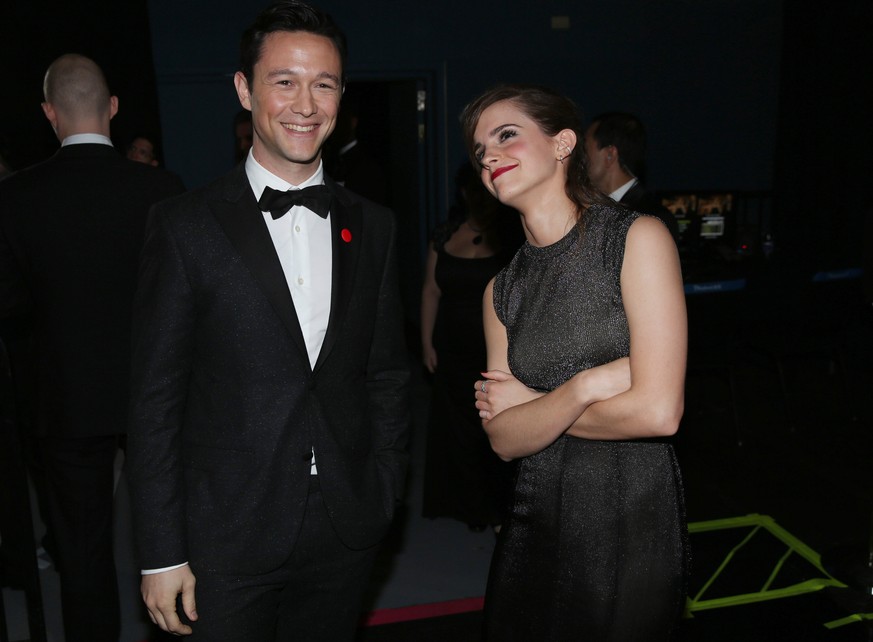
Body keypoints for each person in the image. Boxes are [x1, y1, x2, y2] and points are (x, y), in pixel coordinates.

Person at [125, 2, 411, 640]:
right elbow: (154, 403)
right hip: (224, 532)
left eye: (324, 83)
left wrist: (385, 486)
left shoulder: (375, 226)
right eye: (284, 81)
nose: (305, 104)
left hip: (346, 521)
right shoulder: (184, 226)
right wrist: (162, 549)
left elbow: (387, 372)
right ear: (243, 88)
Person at [463, 85, 688, 640]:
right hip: (534, 523)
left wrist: (535, 407)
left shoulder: (637, 239)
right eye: (479, 150)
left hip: (629, 519)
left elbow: (659, 412)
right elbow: (504, 440)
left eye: (506, 135)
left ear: (563, 143)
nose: (489, 156)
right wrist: (589, 385)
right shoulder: (500, 292)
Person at [0, 54, 185, 642]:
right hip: (153, 390)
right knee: (174, 533)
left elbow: (9, 308)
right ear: (112, 109)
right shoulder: (161, 188)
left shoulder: (16, 197)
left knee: (81, 551)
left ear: (50, 115)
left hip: (67, 395)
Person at [420, 164, 521, 531]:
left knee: (489, 426)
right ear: (463, 193)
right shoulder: (445, 234)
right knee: (454, 429)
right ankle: (460, 504)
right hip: (450, 345)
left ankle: (493, 507)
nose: (479, 197)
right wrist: (426, 341)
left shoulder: (509, 235)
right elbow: (431, 291)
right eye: (472, 190)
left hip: (491, 351)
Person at [585, 111, 680, 242]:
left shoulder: (652, 218)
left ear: (610, 155)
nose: (580, 158)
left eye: (585, 149)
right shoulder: (591, 208)